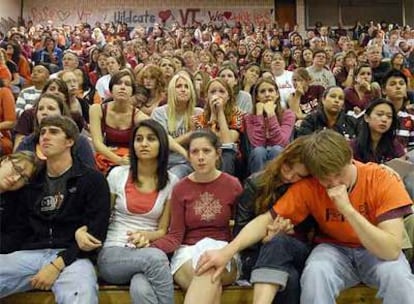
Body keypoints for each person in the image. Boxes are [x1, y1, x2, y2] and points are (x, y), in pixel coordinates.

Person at [196, 129, 414, 304]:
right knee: (316, 273)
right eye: (324, 179)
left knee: (399, 278)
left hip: (374, 250)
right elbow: (264, 221)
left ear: (350, 159)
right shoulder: (309, 185)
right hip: (333, 248)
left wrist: (348, 210)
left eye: (338, 175)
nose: (332, 184)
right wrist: (226, 252)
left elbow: (391, 249)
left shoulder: (381, 178)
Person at [0, 115, 111, 303]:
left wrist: (57, 265)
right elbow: (17, 228)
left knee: (82, 294)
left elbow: (96, 235)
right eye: (42, 132)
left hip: (73, 257)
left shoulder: (92, 180)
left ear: (70, 141)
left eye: (53, 132)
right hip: (29, 254)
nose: (45, 136)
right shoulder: (31, 181)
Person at [92, 119, 178, 304]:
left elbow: (163, 230)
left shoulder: (172, 181)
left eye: (151, 139)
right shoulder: (117, 174)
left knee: (141, 288)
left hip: (146, 251)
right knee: (155, 259)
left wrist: (146, 235)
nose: (144, 144)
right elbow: (103, 217)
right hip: (113, 251)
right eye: (139, 139)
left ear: (161, 144)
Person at [151, 130, 242, 304]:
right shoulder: (180, 188)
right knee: (208, 277)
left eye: (206, 151)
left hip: (223, 250)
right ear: (189, 156)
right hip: (188, 251)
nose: (200, 157)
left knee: (209, 270)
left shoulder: (233, 185)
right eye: (194, 152)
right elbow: (176, 235)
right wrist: (150, 246)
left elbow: (241, 228)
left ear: (218, 154)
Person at [233, 136, 315, 304]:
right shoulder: (255, 183)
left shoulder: (307, 189)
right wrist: (265, 239)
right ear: (282, 159)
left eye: (298, 175)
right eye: (288, 167)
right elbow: (239, 232)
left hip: (296, 251)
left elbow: (313, 232)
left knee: (281, 248)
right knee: (289, 277)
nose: (290, 176)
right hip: (256, 254)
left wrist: (290, 232)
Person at [90, 69, 147, 173]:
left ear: (132, 92)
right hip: (106, 155)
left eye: (127, 84)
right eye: (118, 83)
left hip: (129, 157)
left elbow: (160, 134)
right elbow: (97, 143)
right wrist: (118, 160)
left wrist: (182, 150)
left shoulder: (138, 116)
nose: (122, 87)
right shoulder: (96, 109)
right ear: (111, 90)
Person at [16, 93, 95, 168]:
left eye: (51, 108)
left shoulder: (80, 142)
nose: (44, 112)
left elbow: (90, 176)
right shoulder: (27, 143)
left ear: (62, 114)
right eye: (40, 109)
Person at [151, 73, 203, 178]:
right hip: (161, 161)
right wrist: (189, 135)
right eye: (178, 86)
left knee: (174, 176)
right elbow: (161, 144)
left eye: (186, 87)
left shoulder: (199, 113)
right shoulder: (159, 113)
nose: (183, 90)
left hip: (185, 163)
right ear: (171, 90)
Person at [192, 78, 244, 176]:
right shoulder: (198, 118)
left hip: (232, 159)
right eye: (213, 92)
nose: (217, 95)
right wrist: (213, 115)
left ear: (228, 96)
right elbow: (206, 142)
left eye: (222, 91)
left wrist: (220, 112)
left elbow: (228, 142)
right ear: (206, 97)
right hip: (206, 155)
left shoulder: (237, 114)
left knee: (226, 155)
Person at [244, 78, 295, 173]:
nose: (267, 94)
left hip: (280, 153)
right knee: (259, 151)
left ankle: (275, 186)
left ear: (277, 94)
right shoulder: (249, 117)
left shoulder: (288, 114)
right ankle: (258, 186)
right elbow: (256, 143)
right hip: (258, 158)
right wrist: (259, 116)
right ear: (257, 97)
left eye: (271, 90)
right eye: (262, 91)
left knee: (276, 149)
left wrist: (271, 115)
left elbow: (281, 142)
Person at [0, 151, 37, 253]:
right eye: (17, 169)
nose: (16, 179)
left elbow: (13, 239)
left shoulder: (18, 203)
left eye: (24, 178)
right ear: (5, 161)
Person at [350, 98, 405, 163]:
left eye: (389, 116)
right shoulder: (353, 147)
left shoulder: (396, 146)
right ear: (366, 117)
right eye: (379, 114)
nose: (384, 119)